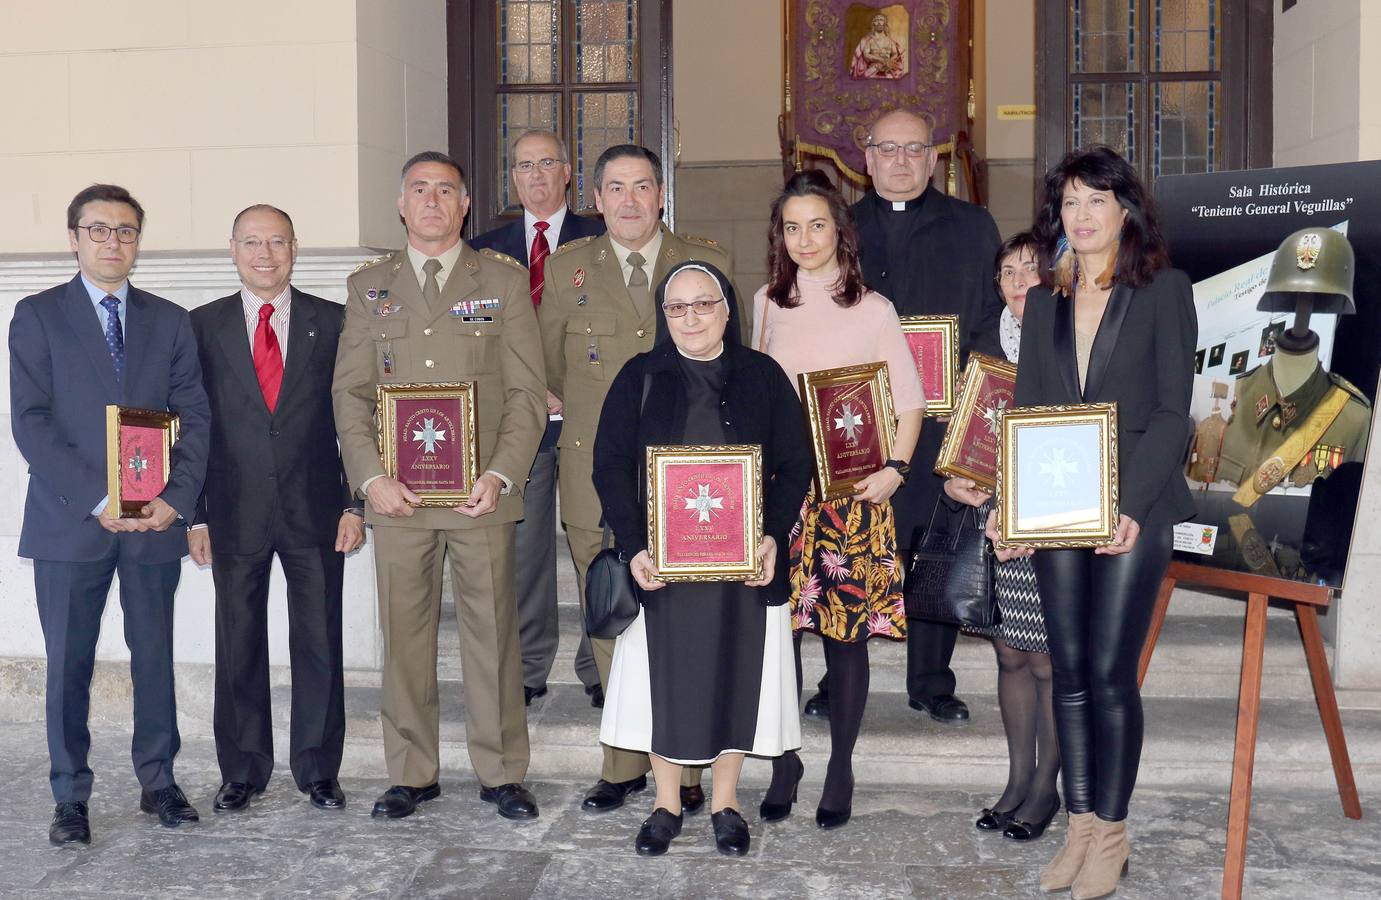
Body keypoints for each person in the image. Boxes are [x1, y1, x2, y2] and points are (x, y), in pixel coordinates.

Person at [993, 146, 1197, 898]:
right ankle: (1077, 827)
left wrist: (1129, 508)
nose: (1081, 217)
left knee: (1109, 676)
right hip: (1055, 506)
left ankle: (1110, 832)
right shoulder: (1043, 300)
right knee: (1068, 674)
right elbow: (1029, 413)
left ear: (1125, 213)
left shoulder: (1163, 291)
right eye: (1069, 204)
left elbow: (1175, 414)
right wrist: (1008, 509)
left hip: (1131, 512)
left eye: (1096, 202)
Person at [332, 151, 546, 821]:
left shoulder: (503, 282)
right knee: (405, 639)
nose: (431, 201)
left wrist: (501, 472)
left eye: (445, 190)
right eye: (418, 190)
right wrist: (370, 480)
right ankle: (411, 774)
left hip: (480, 495)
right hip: (399, 499)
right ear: (401, 204)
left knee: (492, 639)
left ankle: (502, 771)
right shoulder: (370, 285)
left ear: (464, 206)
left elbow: (525, 393)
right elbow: (349, 394)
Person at [9, 184, 211, 843]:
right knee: (69, 662)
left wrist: (174, 500)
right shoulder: (36, 316)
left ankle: (159, 783)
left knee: (154, 654)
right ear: (73, 238)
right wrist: (102, 499)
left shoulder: (168, 319)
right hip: (71, 523)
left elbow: (194, 417)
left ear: (137, 242)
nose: (112, 242)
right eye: (98, 230)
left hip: (154, 523)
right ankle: (70, 797)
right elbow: (32, 426)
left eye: (125, 231)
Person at [593, 261, 813, 857]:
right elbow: (609, 467)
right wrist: (636, 545)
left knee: (735, 676)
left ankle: (725, 803)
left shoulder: (763, 376)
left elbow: (796, 465)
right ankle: (666, 805)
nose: (691, 317)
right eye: (677, 307)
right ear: (664, 316)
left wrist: (769, 535)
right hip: (663, 570)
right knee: (665, 682)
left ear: (726, 308)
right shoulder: (639, 376)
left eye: (704, 304)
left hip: (742, 565)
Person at [539, 144, 731, 815]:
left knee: (694, 612)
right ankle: (621, 762)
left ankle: (690, 759)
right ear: (596, 198)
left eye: (641, 186)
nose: (627, 200)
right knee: (613, 609)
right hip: (598, 467)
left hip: (693, 476)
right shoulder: (568, 270)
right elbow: (550, 368)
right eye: (614, 187)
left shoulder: (708, 262)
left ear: (660, 195)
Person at [805, 109, 1004, 726]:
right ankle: (840, 679)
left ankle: (931, 679)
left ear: (934, 158)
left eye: (914, 149)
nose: (900, 161)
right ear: (865, 157)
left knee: (932, 546)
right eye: (887, 149)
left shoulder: (973, 227)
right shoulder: (839, 228)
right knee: (851, 543)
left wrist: (979, 424)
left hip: (944, 418)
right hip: (856, 425)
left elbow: (989, 327)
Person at [751, 170, 924, 829]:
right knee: (781, 634)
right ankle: (785, 759)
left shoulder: (873, 309)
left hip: (851, 498)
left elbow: (908, 404)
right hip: (781, 498)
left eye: (816, 225)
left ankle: (840, 764)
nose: (803, 238)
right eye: (790, 227)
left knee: (842, 636)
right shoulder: (765, 302)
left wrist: (896, 470)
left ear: (840, 232)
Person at [188, 204, 364, 814]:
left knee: (320, 640)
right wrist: (197, 514)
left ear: (296, 247)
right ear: (232, 249)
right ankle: (241, 769)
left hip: (318, 510)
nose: (265, 253)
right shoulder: (201, 326)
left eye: (277, 242)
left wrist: (355, 502)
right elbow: (191, 427)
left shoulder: (335, 322)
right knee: (238, 641)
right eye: (252, 242)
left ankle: (318, 769)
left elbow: (356, 421)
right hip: (233, 510)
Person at [471, 129, 606, 706]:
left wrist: (562, 390)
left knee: (592, 541)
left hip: (584, 417)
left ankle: (598, 662)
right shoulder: (482, 249)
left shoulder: (601, 240)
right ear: (513, 176)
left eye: (547, 162)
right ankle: (528, 664)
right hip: (516, 421)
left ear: (569, 171)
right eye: (524, 165)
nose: (536, 175)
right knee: (523, 551)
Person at [942, 233, 1061, 842]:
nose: (1019, 280)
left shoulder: (1071, 338)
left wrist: (1035, 514)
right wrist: (958, 483)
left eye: (1031, 269)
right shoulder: (984, 348)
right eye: (1008, 271)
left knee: (1047, 660)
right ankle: (1018, 780)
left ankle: (1047, 789)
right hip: (995, 520)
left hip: (1053, 523)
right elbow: (968, 438)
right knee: (1010, 653)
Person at [849, 12, 906, 79]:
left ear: (885, 23)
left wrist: (889, 62)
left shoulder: (890, 40)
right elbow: (866, 54)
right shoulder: (869, 41)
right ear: (873, 24)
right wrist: (881, 60)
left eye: (881, 20)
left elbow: (895, 53)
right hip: (874, 69)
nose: (879, 22)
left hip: (888, 70)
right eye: (876, 20)